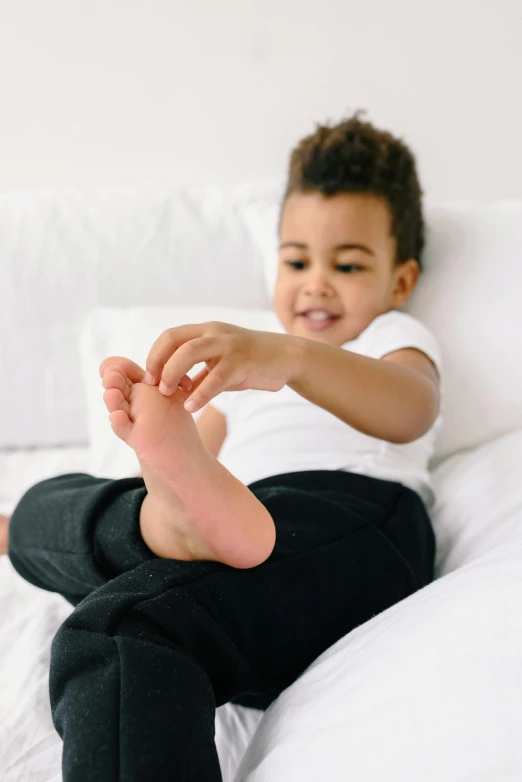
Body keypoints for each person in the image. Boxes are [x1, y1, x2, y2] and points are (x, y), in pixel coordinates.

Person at [6, 109, 442, 782]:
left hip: (347, 518)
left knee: (116, 614)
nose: (316, 282)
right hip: (243, 521)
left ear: (401, 281)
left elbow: (412, 408)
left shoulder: (385, 338)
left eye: (348, 264)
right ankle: (143, 522)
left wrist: (289, 357)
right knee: (109, 610)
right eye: (297, 260)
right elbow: (199, 464)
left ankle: (148, 523)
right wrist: (168, 457)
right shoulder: (236, 382)